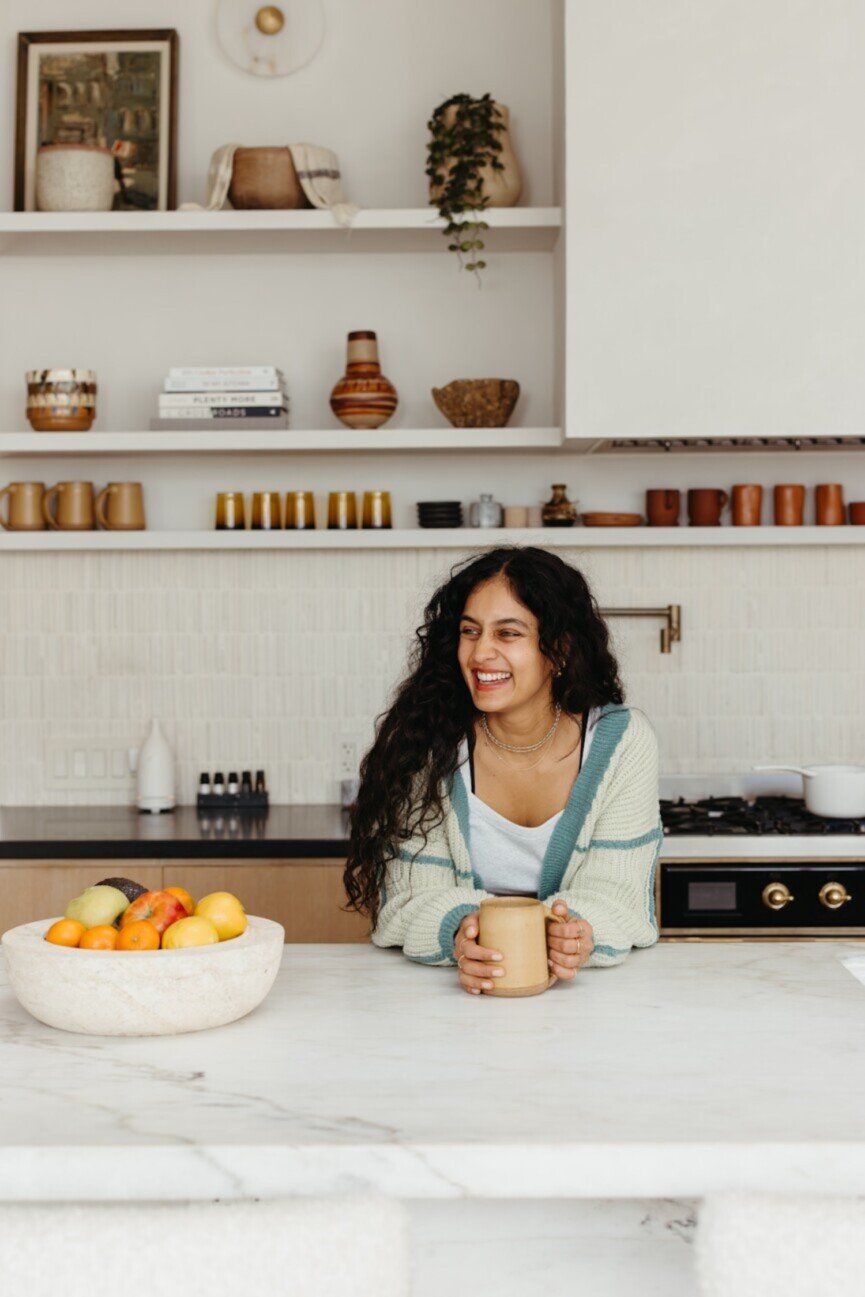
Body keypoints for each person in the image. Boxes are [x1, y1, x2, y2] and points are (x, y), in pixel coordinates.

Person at [344, 546, 661, 994]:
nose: (480, 653)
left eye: (508, 634)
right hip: (445, 1006)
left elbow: (621, 897)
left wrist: (575, 935)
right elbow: (407, 900)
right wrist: (461, 932)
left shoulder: (624, 743)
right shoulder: (426, 741)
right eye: (469, 631)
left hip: (591, 1007)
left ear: (560, 650)